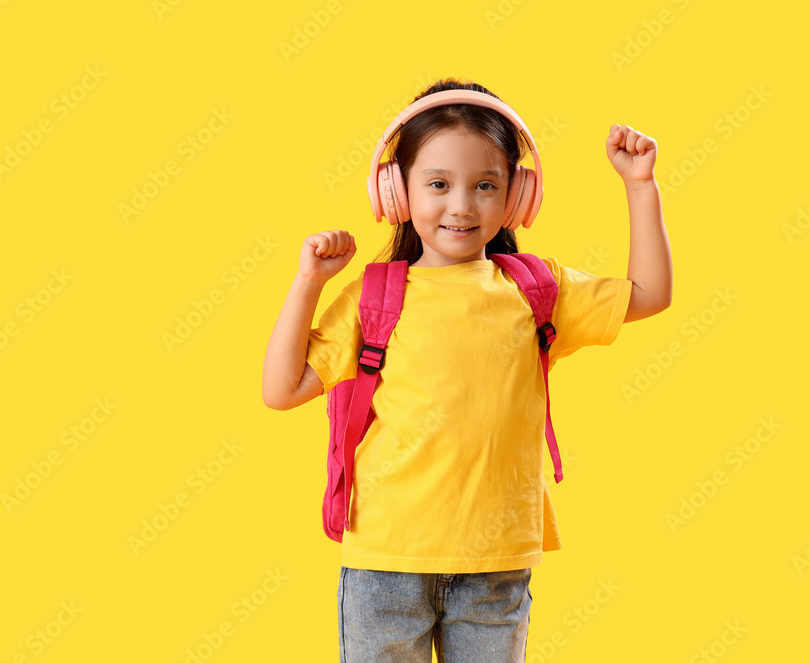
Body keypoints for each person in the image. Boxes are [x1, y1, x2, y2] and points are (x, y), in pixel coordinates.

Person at [262, 77, 672, 663]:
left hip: (497, 562)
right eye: (437, 184)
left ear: (518, 197)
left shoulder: (535, 290)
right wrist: (309, 284)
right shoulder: (375, 295)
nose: (461, 205)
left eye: (486, 185)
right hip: (387, 561)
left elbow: (650, 294)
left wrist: (640, 186)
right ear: (395, 192)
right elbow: (281, 389)